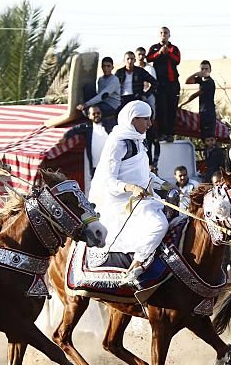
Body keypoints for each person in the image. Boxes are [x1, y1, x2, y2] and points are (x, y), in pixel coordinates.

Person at [89, 101, 170, 287]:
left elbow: (144, 174)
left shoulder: (139, 140)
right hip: (124, 202)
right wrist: (131, 188)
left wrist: (165, 184)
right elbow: (108, 181)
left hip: (145, 197)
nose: (149, 124)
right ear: (133, 120)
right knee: (159, 224)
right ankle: (136, 265)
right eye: (146, 119)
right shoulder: (117, 143)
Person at [64, 104, 108, 194]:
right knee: (97, 188)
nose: (96, 115)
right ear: (89, 116)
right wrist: (65, 137)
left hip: (110, 164)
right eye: (94, 113)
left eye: (98, 113)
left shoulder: (109, 125)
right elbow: (75, 130)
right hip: (96, 165)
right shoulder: (87, 127)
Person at [147, 27, 181, 142]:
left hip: (172, 83)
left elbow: (177, 60)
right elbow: (148, 58)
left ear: (169, 35)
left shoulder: (174, 48)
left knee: (172, 109)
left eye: (165, 33)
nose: (163, 35)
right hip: (159, 84)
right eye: (161, 33)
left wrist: (168, 53)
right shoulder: (154, 47)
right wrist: (159, 53)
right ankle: (161, 133)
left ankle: (170, 134)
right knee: (161, 108)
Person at [78, 56, 122, 132]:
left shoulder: (114, 80)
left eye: (108, 66)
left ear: (112, 67)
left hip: (111, 106)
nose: (106, 68)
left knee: (89, 111)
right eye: (104, 66)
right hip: (102, 102)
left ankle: (92, 125)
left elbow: (103, 95)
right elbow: (98, 94)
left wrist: (86, 104)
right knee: (89, 87)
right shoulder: (100, 79)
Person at [180, 60, 217, 140]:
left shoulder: (209, 82)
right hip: (203, 112)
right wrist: (196, 74)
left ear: (210, 70)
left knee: (209, 137)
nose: (204, 71)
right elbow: (188, 81)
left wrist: (183, 103)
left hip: (209, 113)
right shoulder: (202, 80)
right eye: (202, 69)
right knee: (204, 136)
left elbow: (195, 95)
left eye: (206, 69)